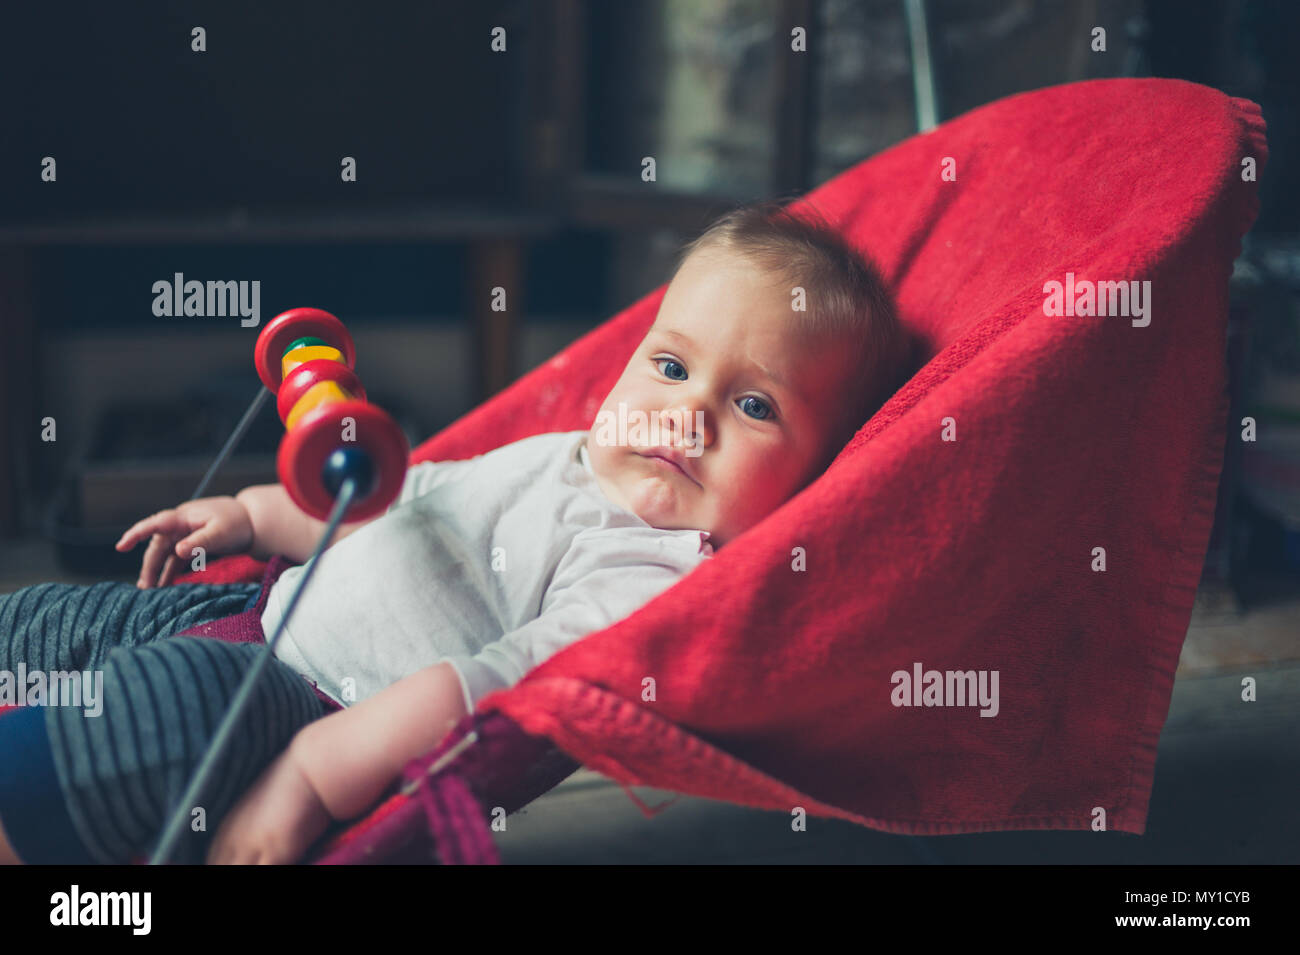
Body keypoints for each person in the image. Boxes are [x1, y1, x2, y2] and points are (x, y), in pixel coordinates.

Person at [0, 198, 908, 864]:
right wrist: (250, 514)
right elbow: (398, 496)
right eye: (670, 365)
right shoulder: (565, 456)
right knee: (46, 620)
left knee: (148, 724)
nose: (687, 414)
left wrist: (311, 777)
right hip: (257, 599)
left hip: (302, 699)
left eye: (753, 405)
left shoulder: (649, 571)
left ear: (817, 476)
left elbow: (493, 686)